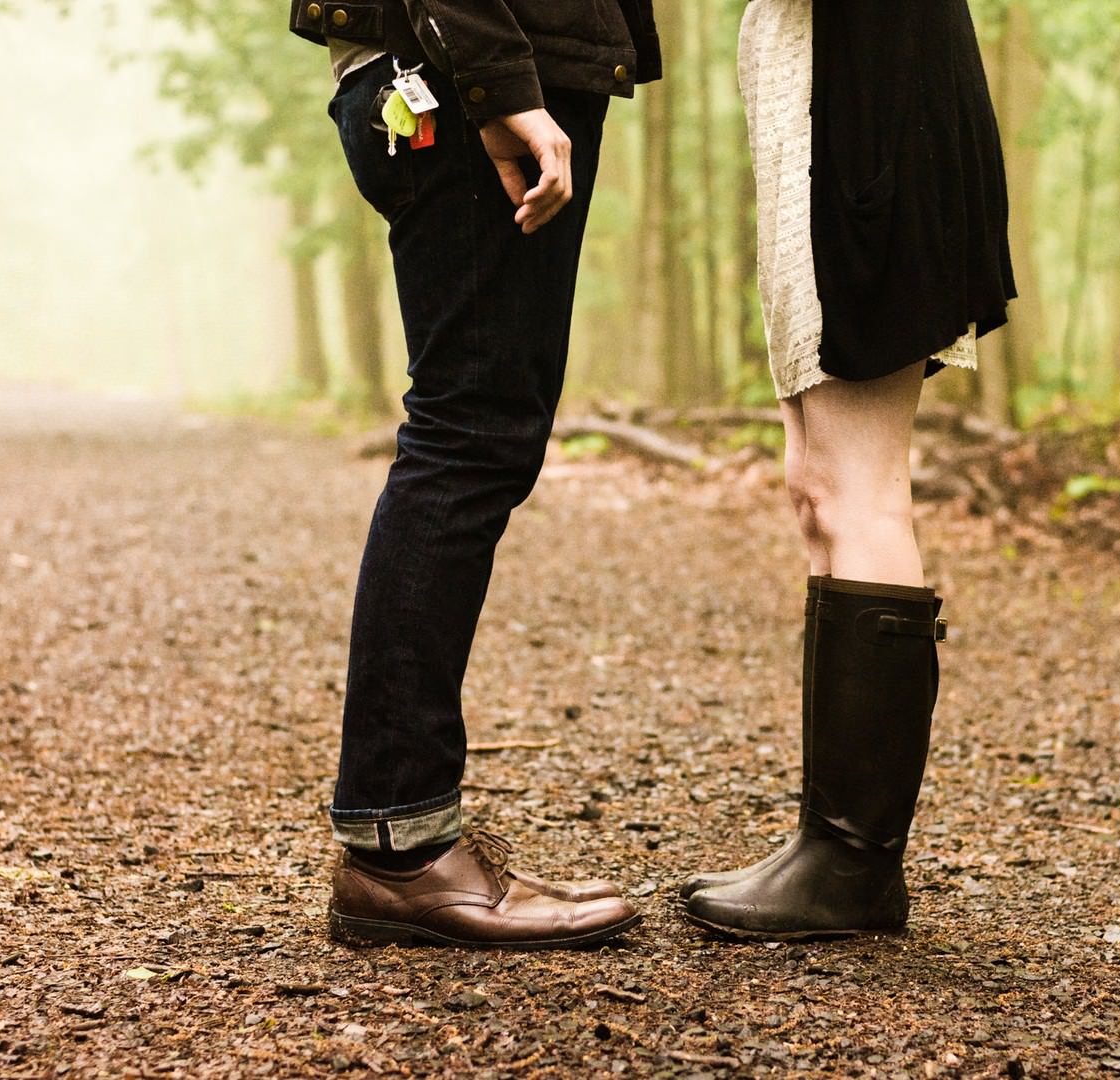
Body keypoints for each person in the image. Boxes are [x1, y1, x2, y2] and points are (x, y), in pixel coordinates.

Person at [288, 0, 660, 949]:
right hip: (462, 74)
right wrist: (497, 80)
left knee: (475, 433)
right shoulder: (484, 77)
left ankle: (402, 835)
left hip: (461, 69)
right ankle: (399, 851)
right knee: (467, 435)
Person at [680, 0, 1016, 939]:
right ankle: (826, 844)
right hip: (842, 126)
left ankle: (854, 866)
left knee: (859, 492)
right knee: (822, 496)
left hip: (868, 126)